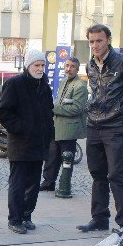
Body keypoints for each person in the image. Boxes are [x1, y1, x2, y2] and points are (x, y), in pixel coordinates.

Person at [77, 24, 123, 232]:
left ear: (108, 40)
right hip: (93, 125)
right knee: (97, 173)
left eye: (99, 40)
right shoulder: (89, 65)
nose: (95, 45)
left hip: (115, 125)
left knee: (115, 174)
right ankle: (99, 218)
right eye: (91, 41)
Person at [0, 50, 54, 234]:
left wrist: (48, 134)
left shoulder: (44, 85)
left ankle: (26, 215)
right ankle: (14, 219)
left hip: (38, 144)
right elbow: (4, 112)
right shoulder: (14, 84)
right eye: (36, 65)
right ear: (28, 66)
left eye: (42, 65)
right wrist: (22, 128)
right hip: (21, 144)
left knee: (34, 184)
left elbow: (48, 113)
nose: (40, 68)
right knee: (18, 184)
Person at [40, 56, 88, 193]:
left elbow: (77, 108)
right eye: (67, 66)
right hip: (56, 126)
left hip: (69, 129)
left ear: (77, 69)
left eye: (72, 66)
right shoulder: (63, 82)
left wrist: (52, 108)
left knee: (66, 158)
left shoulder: (80, 86)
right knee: (51, 157)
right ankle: (48, 182)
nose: (69, 69)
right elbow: (60, 102)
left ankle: (64, 185)